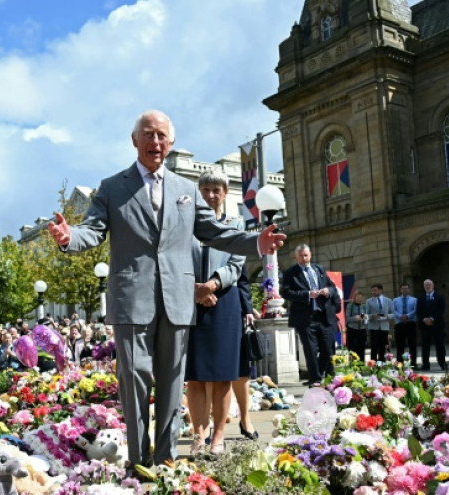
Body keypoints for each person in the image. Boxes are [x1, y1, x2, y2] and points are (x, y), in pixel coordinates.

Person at [47, 110, 285, 472]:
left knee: (174, 382)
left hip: (177, 299)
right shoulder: (112, 187)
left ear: (170, 142)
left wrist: (256, 242)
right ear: (134, 140)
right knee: (134, 379)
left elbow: (216, 232)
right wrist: (68, 238)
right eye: (148, 134)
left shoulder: (186, 189)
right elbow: (91, 231)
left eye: (161, 135)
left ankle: (166, 458)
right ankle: (138, 461)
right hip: (132, 299)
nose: (154, 141)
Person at [184, 169, 247, 457]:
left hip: (224, 302)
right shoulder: (186, 225)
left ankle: (218, 437)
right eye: (206, 190)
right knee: (194, 376)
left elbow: (236, 263)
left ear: (225, 193)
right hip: (190, 300)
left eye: (216, 190)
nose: (211, 195)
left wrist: (212, 284)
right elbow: (176, 259)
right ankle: (199, 433)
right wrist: (195, 288)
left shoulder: (236, 223)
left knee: (222, 375)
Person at [281, 244, 339, 386]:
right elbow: (286, 292)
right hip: (305, 318)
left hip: (324, 316)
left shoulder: (319, 269)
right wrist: (307, 295)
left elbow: (333, 286)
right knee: (310, 350)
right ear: (296, 256)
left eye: (306, 255)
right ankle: (316, 380)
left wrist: (328, 290)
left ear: (310, 255)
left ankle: (317, 374)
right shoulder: (290, 273)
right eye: (300, 256)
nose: (304, 258)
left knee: (327, 348)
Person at [231, 265, 259, 441]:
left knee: (241, 370)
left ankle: (245, 418)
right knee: (208, 375)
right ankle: (205, 426)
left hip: (234, 310)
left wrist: (248, 309)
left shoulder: (232, 244)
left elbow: (242, 281)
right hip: (204, 308)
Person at [418, 279, 446, 371]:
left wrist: (432, 318)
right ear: (424, 287)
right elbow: (419, 311)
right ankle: (425, 364)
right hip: (425, 326)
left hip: (437, 325)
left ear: (433, 286)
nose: (428, 286)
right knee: (425, 346)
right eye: (426, 285)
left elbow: (441, 310)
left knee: (440, 345)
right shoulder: (420, 298)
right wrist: (424, 319)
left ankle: (442, 363)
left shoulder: (440, 296)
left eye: (429, 285)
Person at [366, 283, 394, 362]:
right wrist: (372, 316)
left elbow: (393, 314)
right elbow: (365, 315)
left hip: (384, 326)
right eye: (372, 291)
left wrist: (387, 316)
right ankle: (373, 364)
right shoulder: (369, 301)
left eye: (375, 290)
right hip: (373, 327)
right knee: (374, 347)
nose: (373, 292)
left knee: (383, 346)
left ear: (380, 290)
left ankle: (382, 363)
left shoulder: (388, 300)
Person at [393, 283, 418, 367]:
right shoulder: (395, 300)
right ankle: (400, 363)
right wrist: (400, 316)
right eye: (403, 288)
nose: (404, 290)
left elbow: (415, 310)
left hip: (410, 323)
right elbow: (394, 310)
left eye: (406, 288)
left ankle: (413, 363)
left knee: (412, 345)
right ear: (400, 290)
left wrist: (407, 316)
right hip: (399, 324)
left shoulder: (414, 300)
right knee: (400, 345)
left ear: (409, 289)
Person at [345, 291, 368, 361]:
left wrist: (365, 318)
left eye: (361, 298)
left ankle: (361, 365)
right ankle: (353, 365)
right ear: (354, 297)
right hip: (352, 330)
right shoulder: (350, 306)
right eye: (358, 297)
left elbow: (367, 321)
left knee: (361, 348)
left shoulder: (364, 306)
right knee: (352, 349)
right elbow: (347, 319)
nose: (359, 299)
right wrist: (355, 318)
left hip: (362, 330)